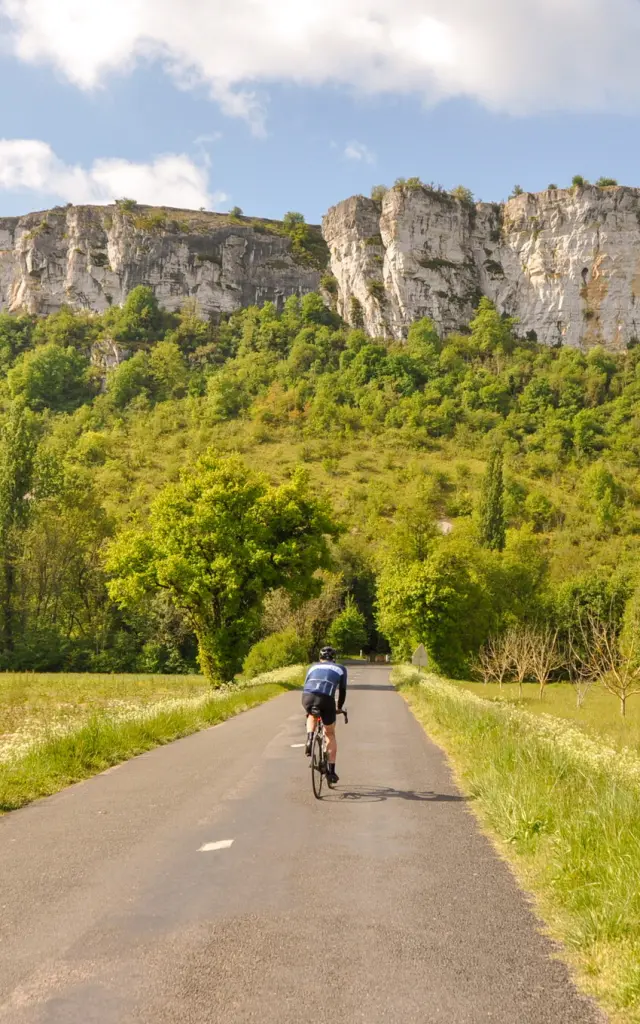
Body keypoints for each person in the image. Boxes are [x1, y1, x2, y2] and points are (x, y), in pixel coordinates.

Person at [302, 646, 347, 784]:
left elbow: (307, 685)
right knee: (330, 734)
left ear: (320, 658)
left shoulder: (312, 667)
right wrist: (338, 708)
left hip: (307, 697)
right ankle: (331, 772)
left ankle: (310, 738)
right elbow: (342, 692)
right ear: (334, 659)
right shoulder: (340, 669)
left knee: (311, 714)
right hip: (326, 699)